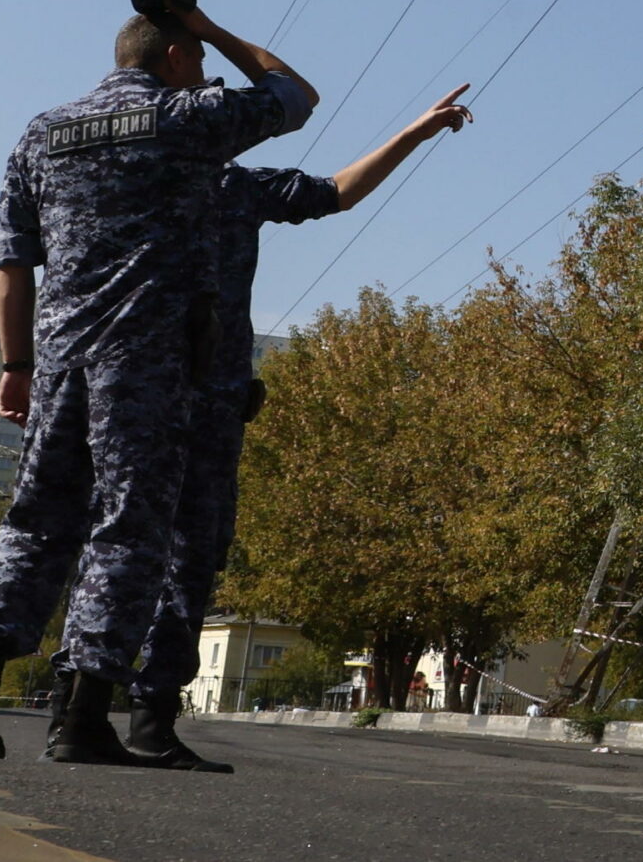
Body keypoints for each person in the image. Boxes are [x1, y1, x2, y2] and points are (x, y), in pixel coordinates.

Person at [0, 6, 315, 764]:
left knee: (35, 523)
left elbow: (12, 263)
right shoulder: (184, 119)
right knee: (128, 529)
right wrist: (214, 27)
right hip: (143, 366)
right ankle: (81, 718)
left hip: (57, 361)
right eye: (196, 57)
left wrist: (16, 367)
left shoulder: (41, 132)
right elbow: (294, 94)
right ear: (177, 55)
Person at [122, 85, 474, 771]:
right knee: (139, 550)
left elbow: (338, 190)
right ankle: (109, 708)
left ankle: (130, 713)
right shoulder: (157, 181)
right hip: (149, 399)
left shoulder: (230, 186)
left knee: (172, 555)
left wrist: (413, 133)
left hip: (172, 403)